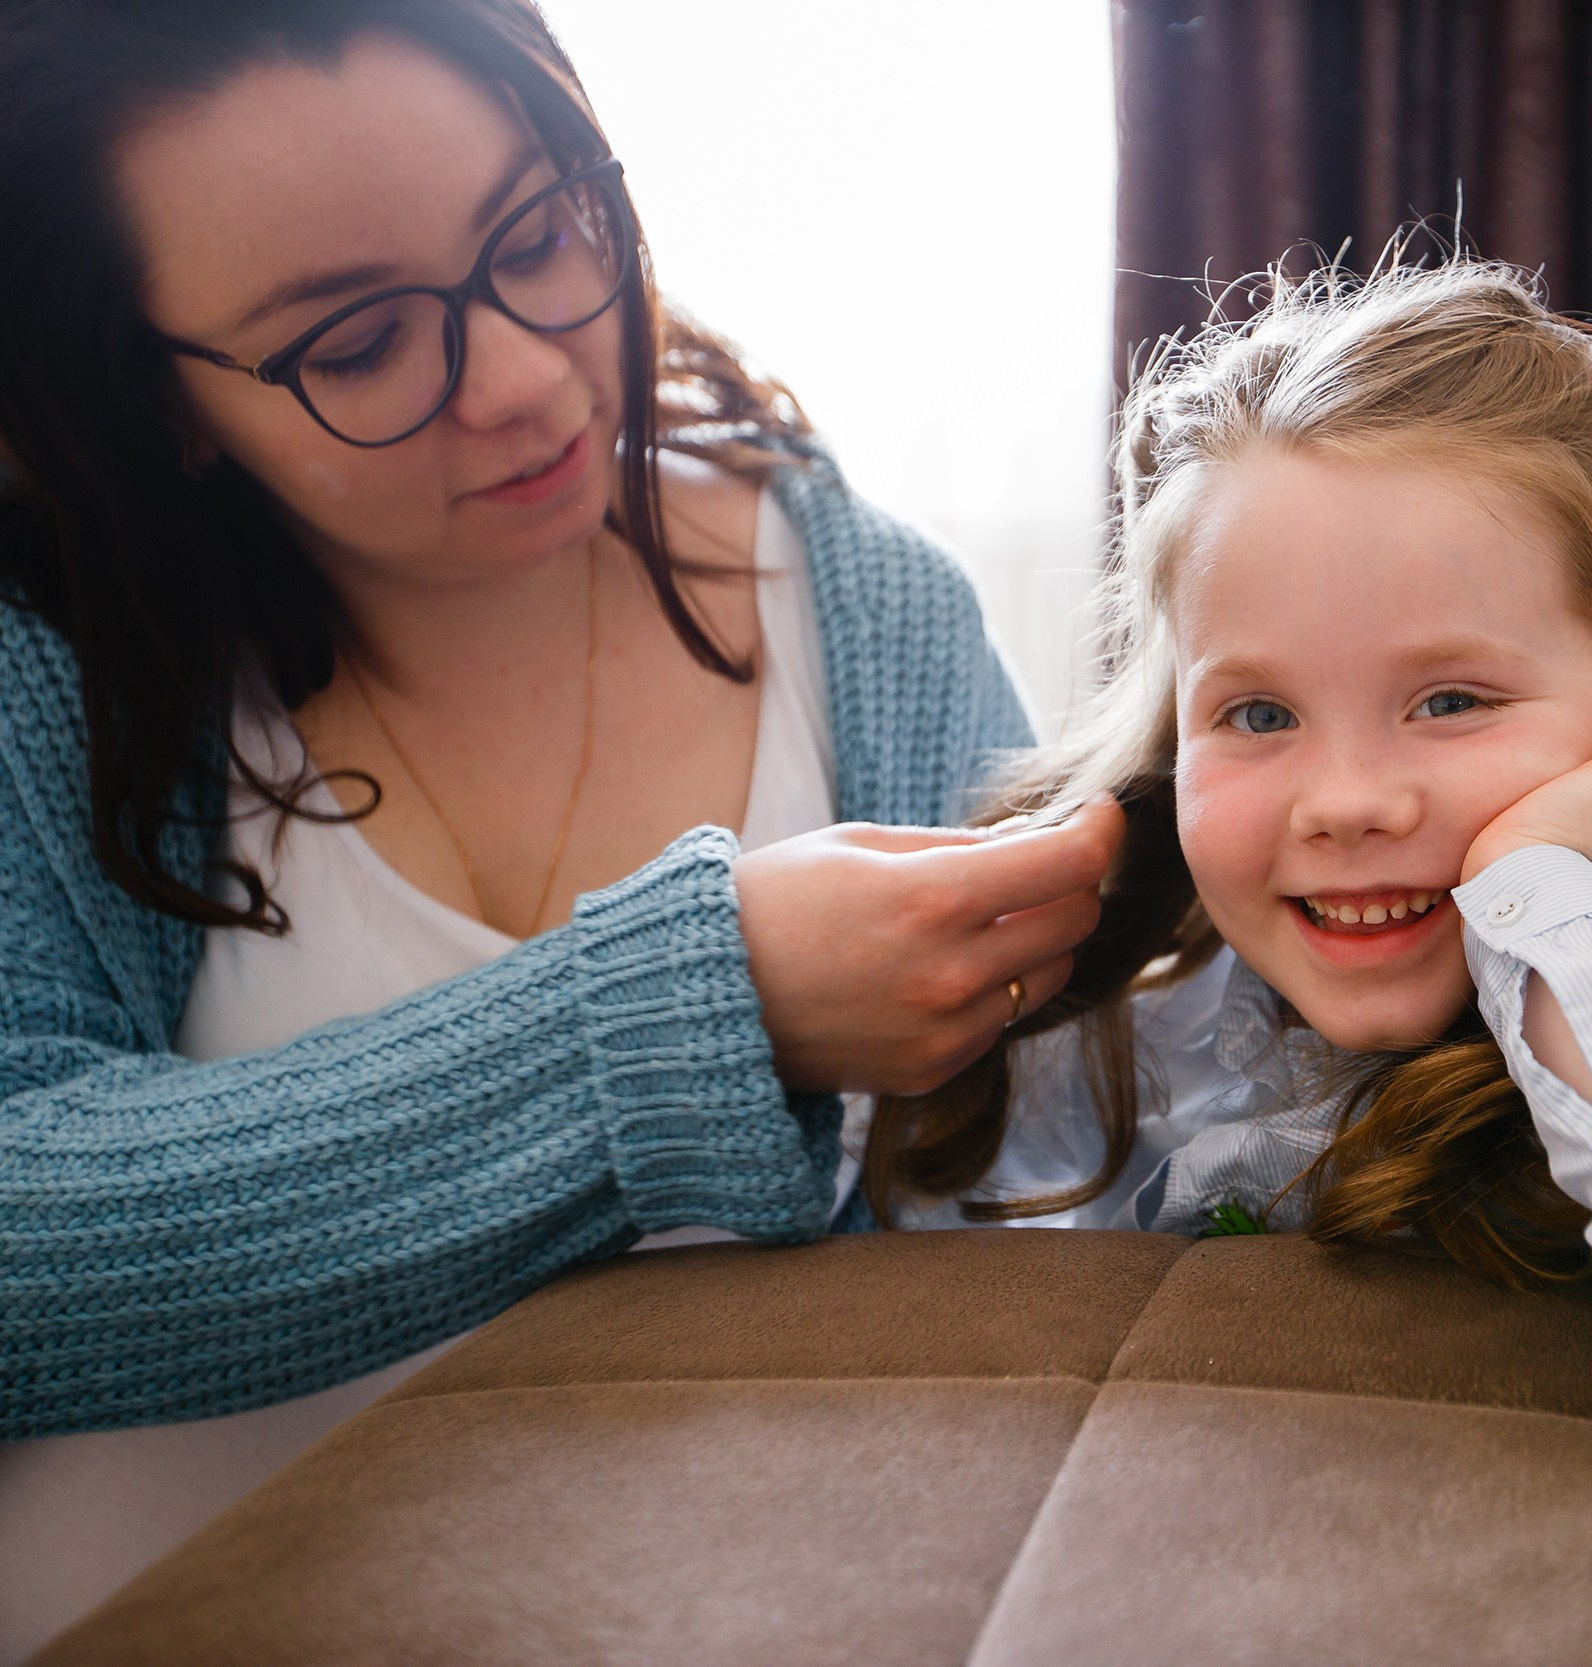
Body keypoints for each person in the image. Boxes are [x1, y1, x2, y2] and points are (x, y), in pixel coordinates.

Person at [0, 0, 1122, 1447]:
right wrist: (700, 1009)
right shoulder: (53, 670)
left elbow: (1041, 1184)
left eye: (537, 238)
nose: (528, 381)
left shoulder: (875, 612)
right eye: (357, 346)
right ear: (155, 403)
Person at [860, 258, 1592, 1519]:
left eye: (1451, 701)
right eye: (1257, 711)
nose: (1348, 799)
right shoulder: (1107, 1056)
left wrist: (1567, 938)